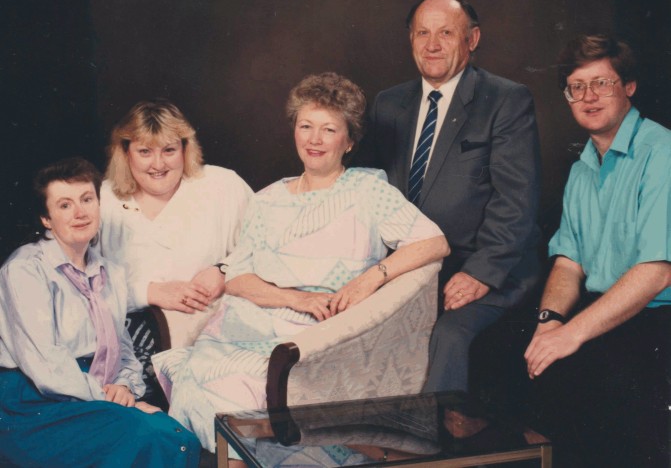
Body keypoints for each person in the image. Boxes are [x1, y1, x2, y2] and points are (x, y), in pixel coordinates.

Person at [152, 72, 450, 461]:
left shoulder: (368, 191)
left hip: (318, 335)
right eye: (305, 126)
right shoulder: (267, 198)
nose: (314, 139)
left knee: (240, 390)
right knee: (199, 375)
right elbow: (239, 277)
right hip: (246, 327)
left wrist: (370, 279)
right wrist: (294, 298)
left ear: (349, 142)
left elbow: (433, 241)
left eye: (328, 129)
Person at [356, 0, 541, 392]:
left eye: (445, 33)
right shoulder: (389, 104)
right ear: (410, 39)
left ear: (472, 39)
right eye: (423, 33)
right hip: (410, 267)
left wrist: (481, 272)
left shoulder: (506, 100)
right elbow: (364, 189)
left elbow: (516, 203)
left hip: (483, 265)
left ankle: (433, 448)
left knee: (448, 334)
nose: (432, 44)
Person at [524, 34, 671, 467]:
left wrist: (571, 334)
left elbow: (656, 272)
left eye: (602, 83)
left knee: (597, 380)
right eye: (577, 86)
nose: (588, 96)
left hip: (658, 317)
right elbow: (569, 263)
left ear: (629, 87)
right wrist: (549, 323)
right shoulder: (582, 168)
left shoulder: (662, 153)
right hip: (607, 311)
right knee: (514, 359)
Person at [0, 157, 200, 468]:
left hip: (93, 390)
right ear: (46, 219)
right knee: (148, 433)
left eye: (87, 199)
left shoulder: (110, 273)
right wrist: (112, 400)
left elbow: (123, 350)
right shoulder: (25, 270)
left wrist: (125, 387)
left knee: (180, 438)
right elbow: (45, 365)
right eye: (64, 205)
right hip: (32, 400)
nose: (80, 212)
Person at [100, 99, 253, 403]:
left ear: (186, 148)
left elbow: (266, 247)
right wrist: (149, 292)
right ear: (125, 152)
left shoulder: (222, 185)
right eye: (145, 151)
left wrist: (224, 270)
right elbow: (85, 285)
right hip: (130, 334)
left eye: (169, 150)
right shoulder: (104, 199)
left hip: (212, 334)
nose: (158, 164)